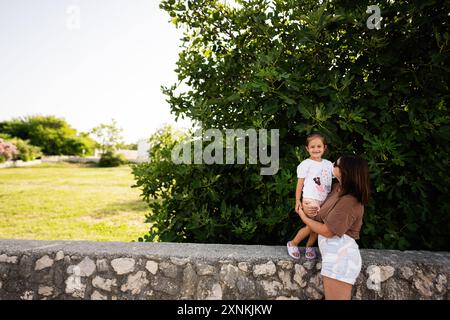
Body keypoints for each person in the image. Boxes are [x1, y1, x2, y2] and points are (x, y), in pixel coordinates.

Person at [298, 154, 370, 300]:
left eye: (336, 164)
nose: (332, 165)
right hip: (333, 255)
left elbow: (327, 231)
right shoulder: (337, 188)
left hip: (341, 257)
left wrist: (303, 217)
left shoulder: (349, 201)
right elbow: (321, 217)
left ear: (344, 171)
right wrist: (307, 207)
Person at [286, 133, 333, 260]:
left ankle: (309, 246)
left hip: (324, 201)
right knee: (311, 225)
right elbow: (299, 184)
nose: (316, 149)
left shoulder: (329, 165)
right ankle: (293, 243)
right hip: (310, 200)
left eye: (319, 146)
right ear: (307, 149)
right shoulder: (305, 164)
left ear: (324, 147)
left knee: (317, 228)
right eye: (312, 147)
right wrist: (297, 201)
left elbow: (337, 177)